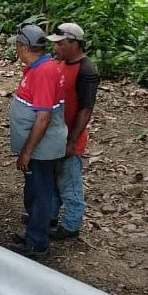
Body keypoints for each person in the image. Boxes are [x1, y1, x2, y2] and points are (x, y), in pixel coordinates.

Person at [6, 24, 67, 259]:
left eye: (17, 47)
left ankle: (37, 243)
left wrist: (27, 152)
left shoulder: (43, 72)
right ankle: (34, 232)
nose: (16, 52)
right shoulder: (41, 67)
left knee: (40, 194)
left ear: (24, 47)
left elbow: (43, 117)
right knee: (35, 191)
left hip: (42, 148)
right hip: (40, 146)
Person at [47, 22, 100, 240]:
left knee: (70, 183)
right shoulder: (62, 63)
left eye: (60, 44)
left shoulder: (87, 70)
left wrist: (72, 140)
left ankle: (71, 224)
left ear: (73, 43)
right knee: (53, 178)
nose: (56, 48)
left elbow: (85, 109)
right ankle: (49, 215)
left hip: (70, 137)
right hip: (56, 134)